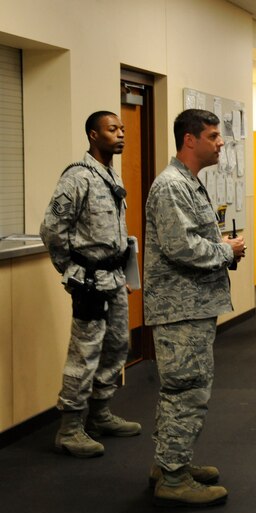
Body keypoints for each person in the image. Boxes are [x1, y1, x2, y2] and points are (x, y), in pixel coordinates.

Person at [143, 108, 245, 507]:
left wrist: (222, 248)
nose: (221, 143)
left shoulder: (188, 182)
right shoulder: (172, 185)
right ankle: (173, 478)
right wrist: (226, 250)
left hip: (191, 304)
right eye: (213, 136)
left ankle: (170, 463)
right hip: (180, 307)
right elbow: (181, 246)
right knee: (187, 390)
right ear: (190, 140)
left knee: (181, 389)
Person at [39, 111, 140, 458]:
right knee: (84, 352)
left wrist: (125, 274)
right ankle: (69, 429)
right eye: (112, 129)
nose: (120, 134)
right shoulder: (77, 177)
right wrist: (70, 270)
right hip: (89, 282)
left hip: (114, 278)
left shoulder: (111, 175)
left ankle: (100, 415)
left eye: (122, 129)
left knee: (116, 347)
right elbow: (51, 229)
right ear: (93, 136)